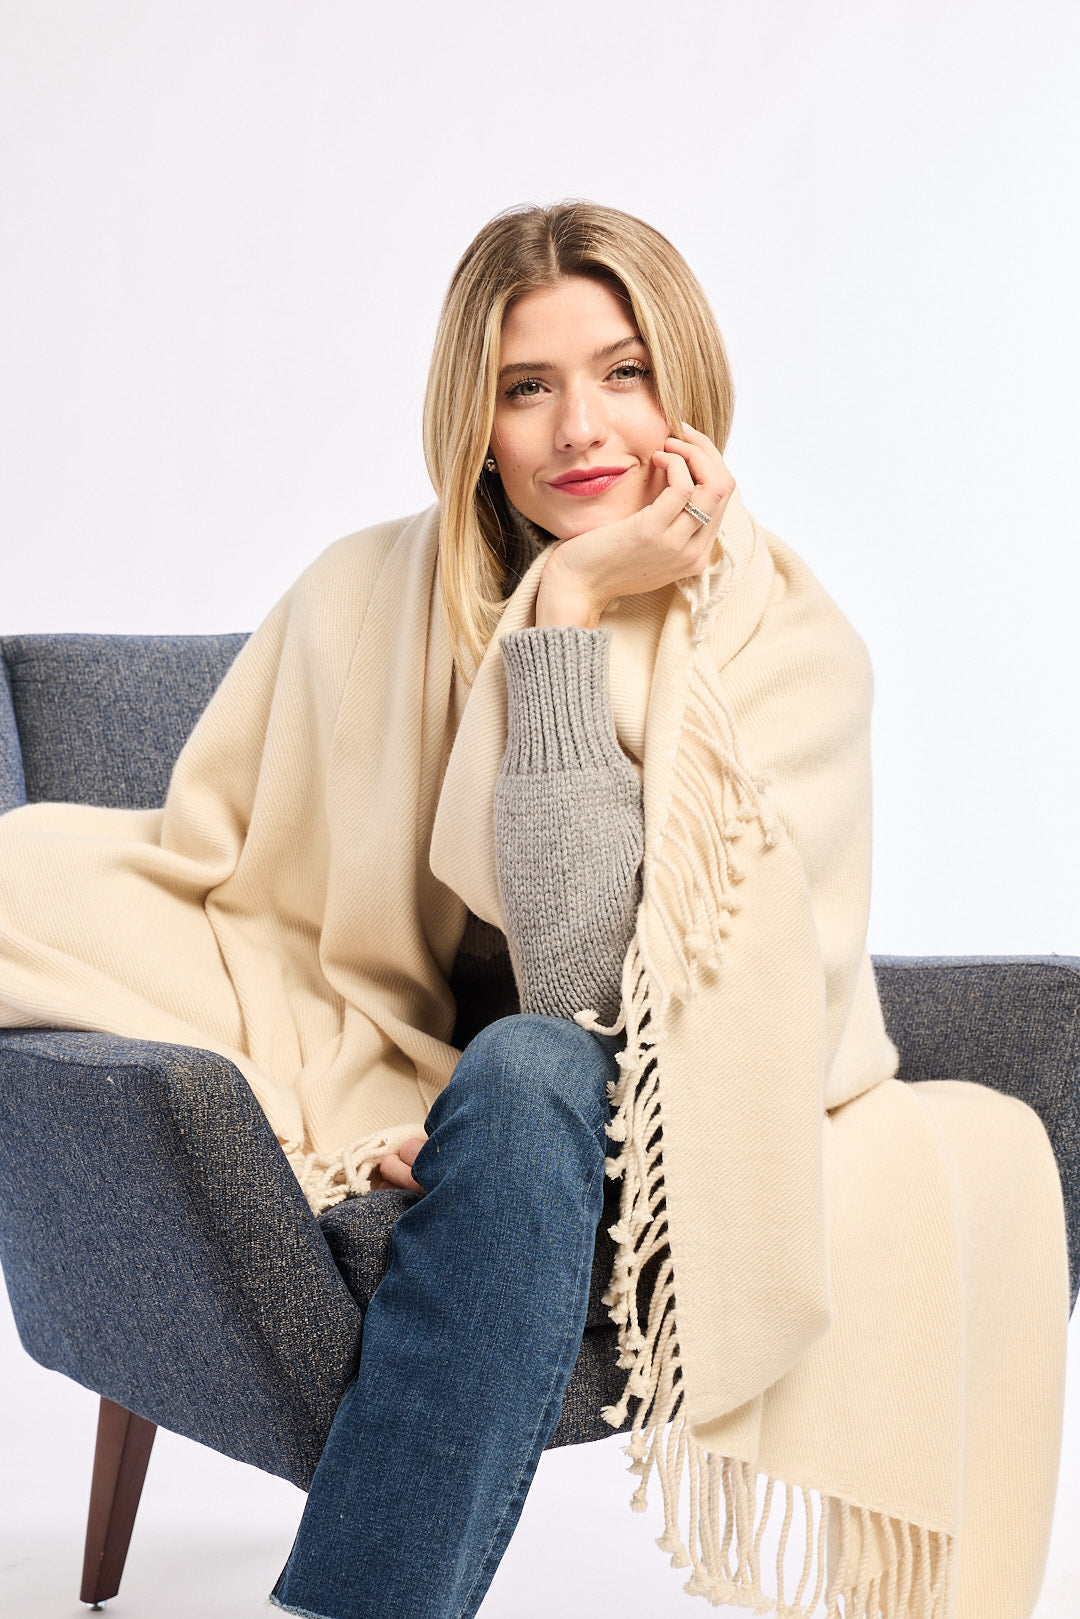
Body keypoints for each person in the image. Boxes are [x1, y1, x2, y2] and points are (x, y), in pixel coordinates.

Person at [0, 202, 1071, 1619]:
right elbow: (259, 906)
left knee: (529, 1061)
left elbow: (582, 987)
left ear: (686, 387)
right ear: (477, 420)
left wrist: (566, 621)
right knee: (505, 1071)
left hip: (681, 1106)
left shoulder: (786, 647)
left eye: (624, 372)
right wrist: (561, 605)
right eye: (529, 387)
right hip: (462, 1098)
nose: (582, 428)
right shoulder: (364, 597)